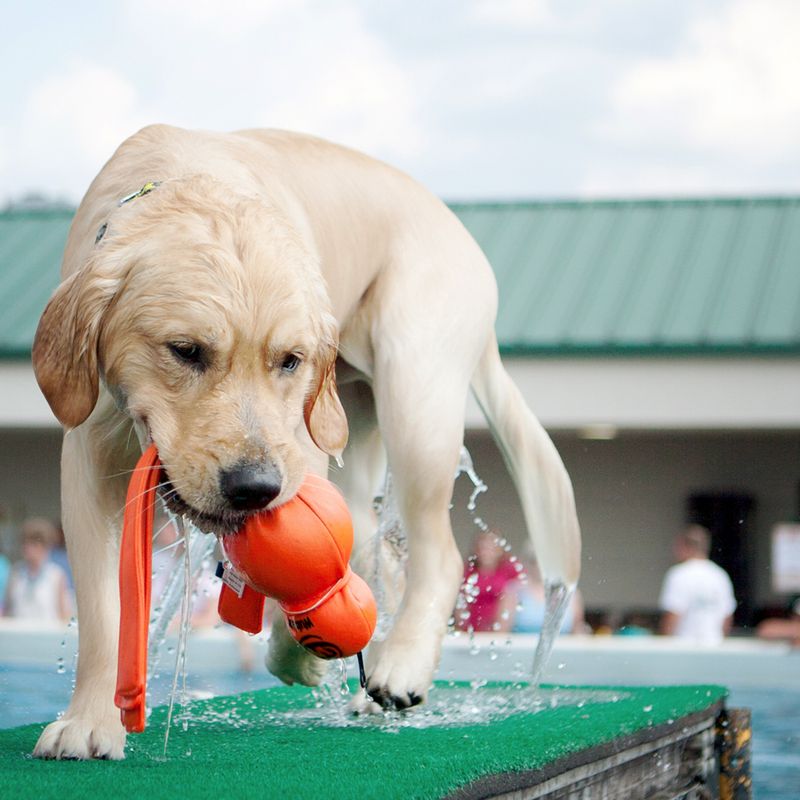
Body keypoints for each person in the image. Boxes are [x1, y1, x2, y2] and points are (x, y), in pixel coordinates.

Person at [658, 525, 736, 645]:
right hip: (713, 647)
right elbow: (727, 617)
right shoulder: (720, 575)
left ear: (685, 547)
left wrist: (663, 645)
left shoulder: (679, 574)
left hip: (683, 648)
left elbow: (673, 614)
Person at [497, 552, 586, 634]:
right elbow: (502, 631)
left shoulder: (571, 594)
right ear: (529, 563)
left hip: (561, 650)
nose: (544, 566)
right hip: (522, 649)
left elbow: (577, 631)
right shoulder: (515, 590)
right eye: (538, 561)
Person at [3, 518, 72, 623]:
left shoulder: (56, 575)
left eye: (33, 544)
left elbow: (65, 615)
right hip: (19, 636)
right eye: (25, 543)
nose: (27, 548)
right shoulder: (16, 572)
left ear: (45, 546)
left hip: (48, 636)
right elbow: (7, 610)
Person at [457, 530, 519, 632]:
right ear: (476, 549)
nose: (485, 552)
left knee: (509, 594)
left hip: (497, 625)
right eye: (483, 548)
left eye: (491, 548)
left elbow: (511, 600)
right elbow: (461, 604)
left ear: (500, 550)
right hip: (471, 626)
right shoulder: (467, 572)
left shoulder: (509, 571)